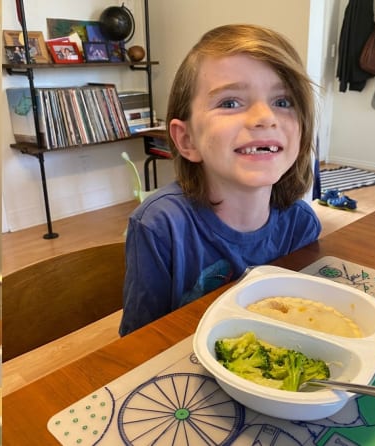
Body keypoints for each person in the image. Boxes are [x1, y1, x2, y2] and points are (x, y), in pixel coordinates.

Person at [119, 24, 321, 336]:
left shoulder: (301, 224)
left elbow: (302, 322)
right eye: (230, 102)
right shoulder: (159, 227)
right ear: (187, 140)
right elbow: (140, 343)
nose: (265, 117)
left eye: (282, 101)